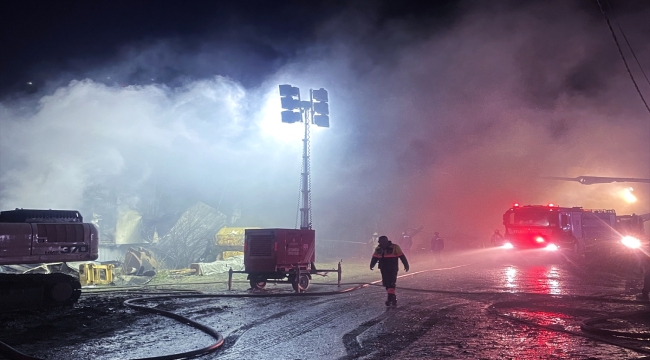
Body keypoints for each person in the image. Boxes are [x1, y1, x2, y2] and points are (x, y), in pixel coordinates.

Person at [370, 235, 409, 306]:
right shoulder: (378, 248)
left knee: (391, 282)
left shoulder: (395, 247)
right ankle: (392, 297)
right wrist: (372, 265)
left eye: (381, 241)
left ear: (385, 241)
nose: (380, 243)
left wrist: (406, 265)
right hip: (383, 268)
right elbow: (374, 258)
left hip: (392, 268)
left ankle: (390, 298)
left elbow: (402, 256)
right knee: (386, 283)